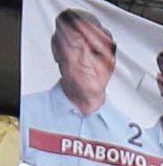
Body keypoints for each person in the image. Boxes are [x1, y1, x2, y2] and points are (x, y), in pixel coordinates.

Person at [21, 9, 133, 148]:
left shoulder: (129, 134)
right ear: (56, 48)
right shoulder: (24, 114)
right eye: (75, 46)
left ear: (112, 64)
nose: (85, 61)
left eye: (97, 52)